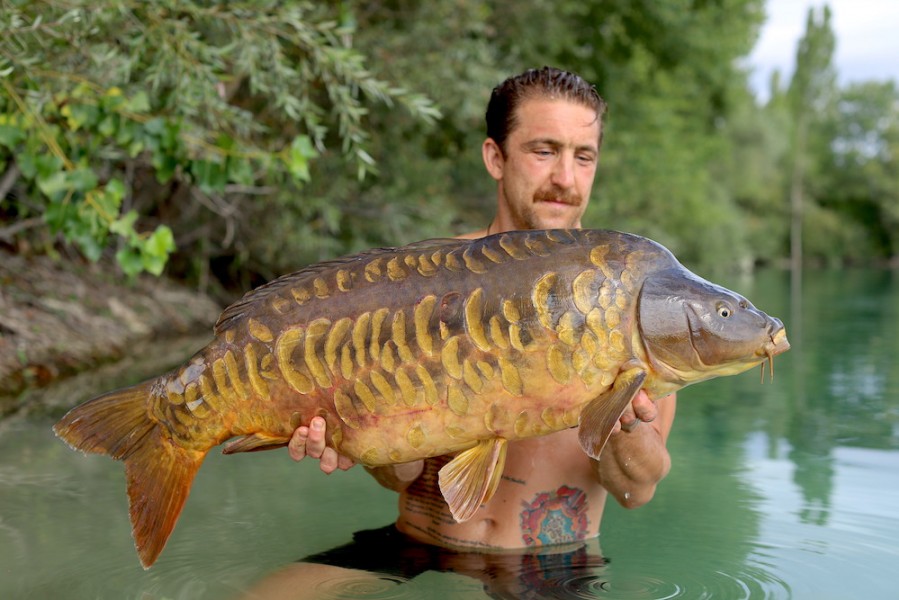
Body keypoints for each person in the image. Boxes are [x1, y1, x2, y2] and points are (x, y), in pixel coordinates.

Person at [262, 66, 677, 595]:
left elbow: (636, 491)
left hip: (552, 568)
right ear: (495, 157)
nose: (566, 180)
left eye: (583, 156)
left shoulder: (635, 296)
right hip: (412, 545)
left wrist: (627, 420)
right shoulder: (428, 281)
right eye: (544, 151)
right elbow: (401, 474)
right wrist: (353, 431)